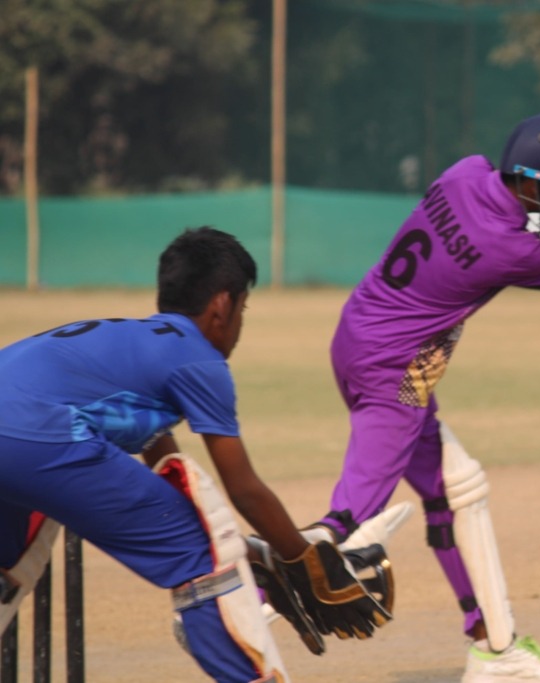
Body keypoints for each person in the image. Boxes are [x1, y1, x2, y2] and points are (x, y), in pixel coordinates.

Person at [312, 113, 540, 683]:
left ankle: (493, 647)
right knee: (345, 531)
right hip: (395, 368)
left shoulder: (465, 172)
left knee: (457, 487)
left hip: (368, 337)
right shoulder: (509, 249)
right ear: (536, 183)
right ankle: (241, 604)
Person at [0, 227, 390, 683]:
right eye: (244, 309)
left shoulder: (137, 341)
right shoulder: (199, 360)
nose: (241, 324)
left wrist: (255, 555)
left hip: (22, 425)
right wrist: (304, 561)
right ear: (222, 305)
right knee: (201, 557)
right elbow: (243, 490)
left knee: (12, 562)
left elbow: (164, 471)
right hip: (35, 432)